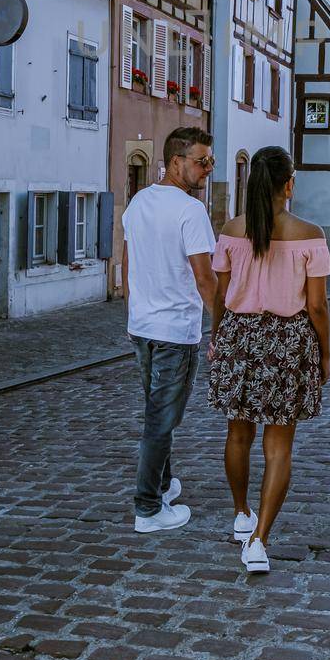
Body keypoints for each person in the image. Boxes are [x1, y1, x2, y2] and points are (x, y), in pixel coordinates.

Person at [208, 147, 330, 575]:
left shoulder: (231, 230)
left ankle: (241, 513)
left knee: (237, 434)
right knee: (278, 446)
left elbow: (220, 299)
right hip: (288, 341)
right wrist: (324, 355)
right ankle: (259, 540)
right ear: (289, 184)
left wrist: (217, 341)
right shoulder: (310, 235)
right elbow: (317, 308)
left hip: (239, 337)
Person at [123, 127, 217, 534]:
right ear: (176, 162)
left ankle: (162, 483)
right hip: (175, 332)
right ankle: (148, 509)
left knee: (158, 411)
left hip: (143, 326)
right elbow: (205, 278)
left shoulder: (138, 202)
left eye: (210, 161)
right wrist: (225, 327)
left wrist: (136, 309)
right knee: (161, 421)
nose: (208, 169)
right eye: (202, 161)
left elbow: (128, 264)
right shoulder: (191, 211)